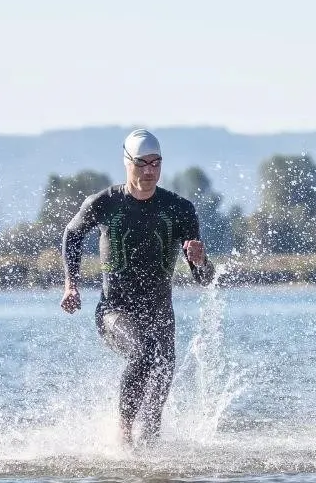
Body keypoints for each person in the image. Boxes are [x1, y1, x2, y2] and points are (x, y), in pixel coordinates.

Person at [60, 129, 216, 448]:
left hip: (160, 315)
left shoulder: (180, 209)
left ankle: (148, 459)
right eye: (141, 163)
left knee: (161, 375)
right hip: (114, 311)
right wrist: (71, 284)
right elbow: (71, 235)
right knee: (143, 351)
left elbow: (203, 278)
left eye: (156, 163)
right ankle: (123, 433)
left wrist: (201, 262)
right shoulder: (103, 203)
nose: (149, 171)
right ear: (126, 162)